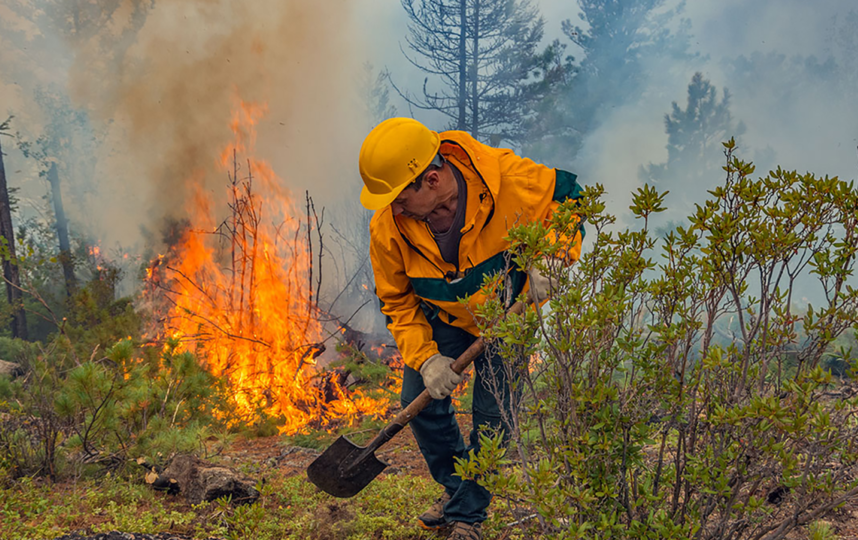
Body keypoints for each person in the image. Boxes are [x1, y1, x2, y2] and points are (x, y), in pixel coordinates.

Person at [359, 117, 583, 540]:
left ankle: (467, 517)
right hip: (444, 316)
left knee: (492, 416)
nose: (394, 208)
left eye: (398, 196)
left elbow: (570, 200)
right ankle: (457, 487)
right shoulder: (388, 227)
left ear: (431, 178)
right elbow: (397, 300)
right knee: (419, 402)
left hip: (507, 317)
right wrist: (426, 359)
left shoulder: (508, 180)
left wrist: (556, 255)